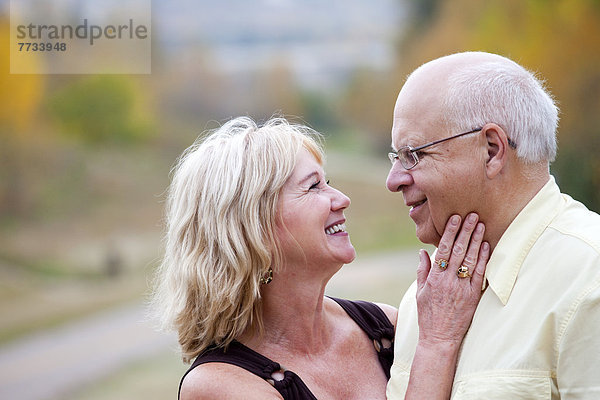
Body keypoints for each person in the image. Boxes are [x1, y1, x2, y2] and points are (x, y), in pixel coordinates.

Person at [152, 116, 489, 400]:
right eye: (314, 187)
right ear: (252, 226)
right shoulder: (218, 386)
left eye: (328, 182)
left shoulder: (386, 326)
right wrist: (437, 343)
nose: (341, 199)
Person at [385, 51, 600, 399]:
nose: (393, 180)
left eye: (414, 155)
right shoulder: (424, 300)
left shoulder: (588, 280)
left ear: (492, 150)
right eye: (396, 157)